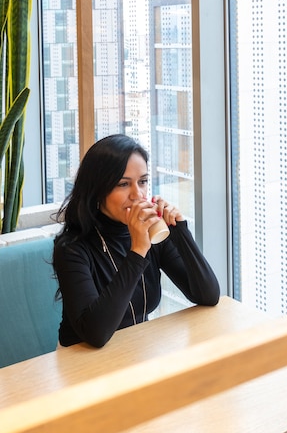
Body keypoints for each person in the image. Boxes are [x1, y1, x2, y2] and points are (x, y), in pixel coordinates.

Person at [53, 134, 220, 348]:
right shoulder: (71, 248)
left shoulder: (152, 232)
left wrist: (180, 232)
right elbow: (96, 333)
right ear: (97, 190)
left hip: (136, 350)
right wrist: (138, 249)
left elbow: (208, 295)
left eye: (142, 182)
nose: (137, 194)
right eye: (123, 184)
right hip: (81, 360)